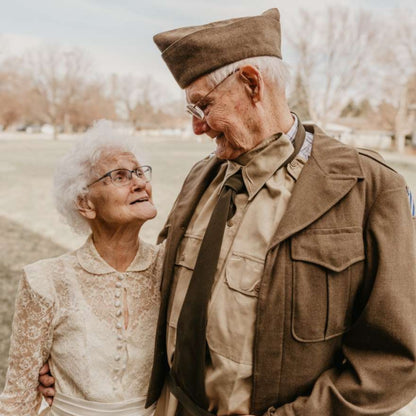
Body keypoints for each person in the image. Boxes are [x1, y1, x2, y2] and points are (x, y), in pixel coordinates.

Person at [40, 8, 416, 416]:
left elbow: (393, 362)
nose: (197, 128)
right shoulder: (201, 176)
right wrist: (81, 365)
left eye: (202, 106)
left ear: (252, 84)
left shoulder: (369, 188)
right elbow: (168, 302)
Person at [0, 121, 163, 415]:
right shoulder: (45, 281)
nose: (139, 183)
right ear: (85, 203)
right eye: (120, 176)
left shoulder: (173, 267)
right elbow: (17, 401)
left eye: (140, 172)